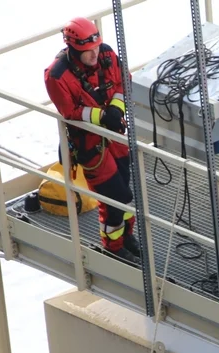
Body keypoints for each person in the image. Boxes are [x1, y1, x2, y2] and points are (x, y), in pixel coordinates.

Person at [44, 17, 139, 263]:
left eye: (96, 46)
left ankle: (126, 236)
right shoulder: (57, 75)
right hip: (90, 144)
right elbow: (70, 112)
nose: (94, 53)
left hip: (114, 134)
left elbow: (122, 81)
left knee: (126, 191)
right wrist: (102, 116)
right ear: (74, 49)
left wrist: (115, 111)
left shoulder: (106, 55)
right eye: (88, 50)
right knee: (114, 197)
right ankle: (113, 247)